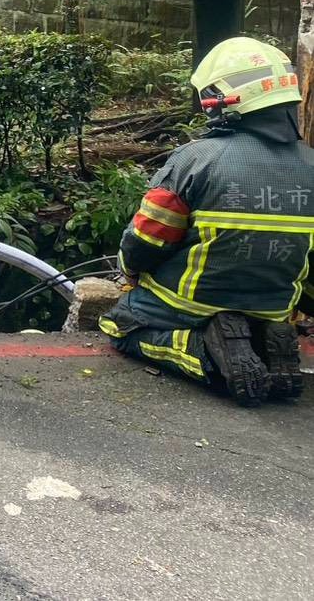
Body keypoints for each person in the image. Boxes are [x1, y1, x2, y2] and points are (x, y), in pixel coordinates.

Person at [99, 36, 312, 406]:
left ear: (223, 99)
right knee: (259, 321)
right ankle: (265, 341)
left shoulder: (195, 160)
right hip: (274, 306)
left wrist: (129, 270)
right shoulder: (311, 164)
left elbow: (145, 243)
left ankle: (202, 350)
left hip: (189, 305)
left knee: (120, 326)